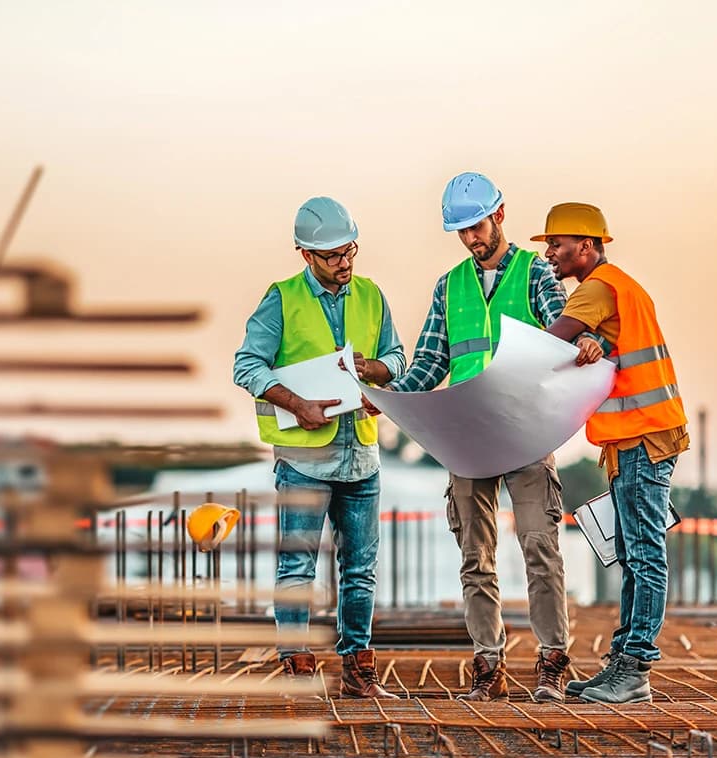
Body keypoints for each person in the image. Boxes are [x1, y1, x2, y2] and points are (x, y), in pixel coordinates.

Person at [386, 172, 591, 702]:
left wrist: (586, 343)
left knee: (541, 547)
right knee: (475, 556)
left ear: (499, 215)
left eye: (476, 226)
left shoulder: (535, 274)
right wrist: (393, 398)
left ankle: (552, 662)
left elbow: (561, 334)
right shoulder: (449, 286)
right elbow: (430, 361)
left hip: (526, 429)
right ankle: (488, 663)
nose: (471, 239)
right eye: (461, 232)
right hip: (469, 436)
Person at [233, 196, 405, 698]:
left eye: (349, 250)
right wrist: (296, 402)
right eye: (331, 255)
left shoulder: (371, 295)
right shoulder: (281, 298)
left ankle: (359, 669)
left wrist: (375, 375)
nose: (344, 262)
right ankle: (298, 667)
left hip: (361, 454)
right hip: (304, 460)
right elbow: (247, 366)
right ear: (305, 254)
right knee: (297, 567)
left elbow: (395, 355)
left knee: (360, 569)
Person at [536, 202, 688, 704]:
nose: (550, 256)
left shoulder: (598, 288)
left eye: (556, 245)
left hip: (643, 437)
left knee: (644, 553)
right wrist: (593, 342)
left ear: (586, 245)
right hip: (639, 438)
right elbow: (598, 344)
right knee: (634, 553)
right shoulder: (621, 287)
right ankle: (623, 664)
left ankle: (636, 668)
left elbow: (549, 344)